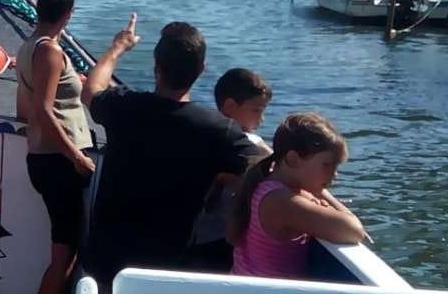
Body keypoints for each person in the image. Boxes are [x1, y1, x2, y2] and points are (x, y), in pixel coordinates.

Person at [81, 17, 264, 284]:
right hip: (163, 272)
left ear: (157, 67)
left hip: (106, 261)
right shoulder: (217, 130)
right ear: (201, 70)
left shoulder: (124, 106)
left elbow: (91, 90)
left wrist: (118, 47)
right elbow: (263, 167)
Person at [16, 0, 95, 294]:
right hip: (60, 163)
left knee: (65, 250)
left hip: (42, 157)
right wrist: (76, 157)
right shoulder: (49, 52)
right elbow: (44, 111)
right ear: (68, 14)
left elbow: (25, 108)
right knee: (64, 256)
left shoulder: (28, 47)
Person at [229, 113, 366, 279]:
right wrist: (322, 192)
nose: (334, 174)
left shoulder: (266, 183)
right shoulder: (281, 201)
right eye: (327, 165)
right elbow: (353, 230)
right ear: (293, 159)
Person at [187, 68, 274, 271]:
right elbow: (279, 172)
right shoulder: (251, 143)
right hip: (220, 240)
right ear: (230, 106)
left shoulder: (201, 132)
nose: (261, 120)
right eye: (256, 110)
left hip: (193, 236)